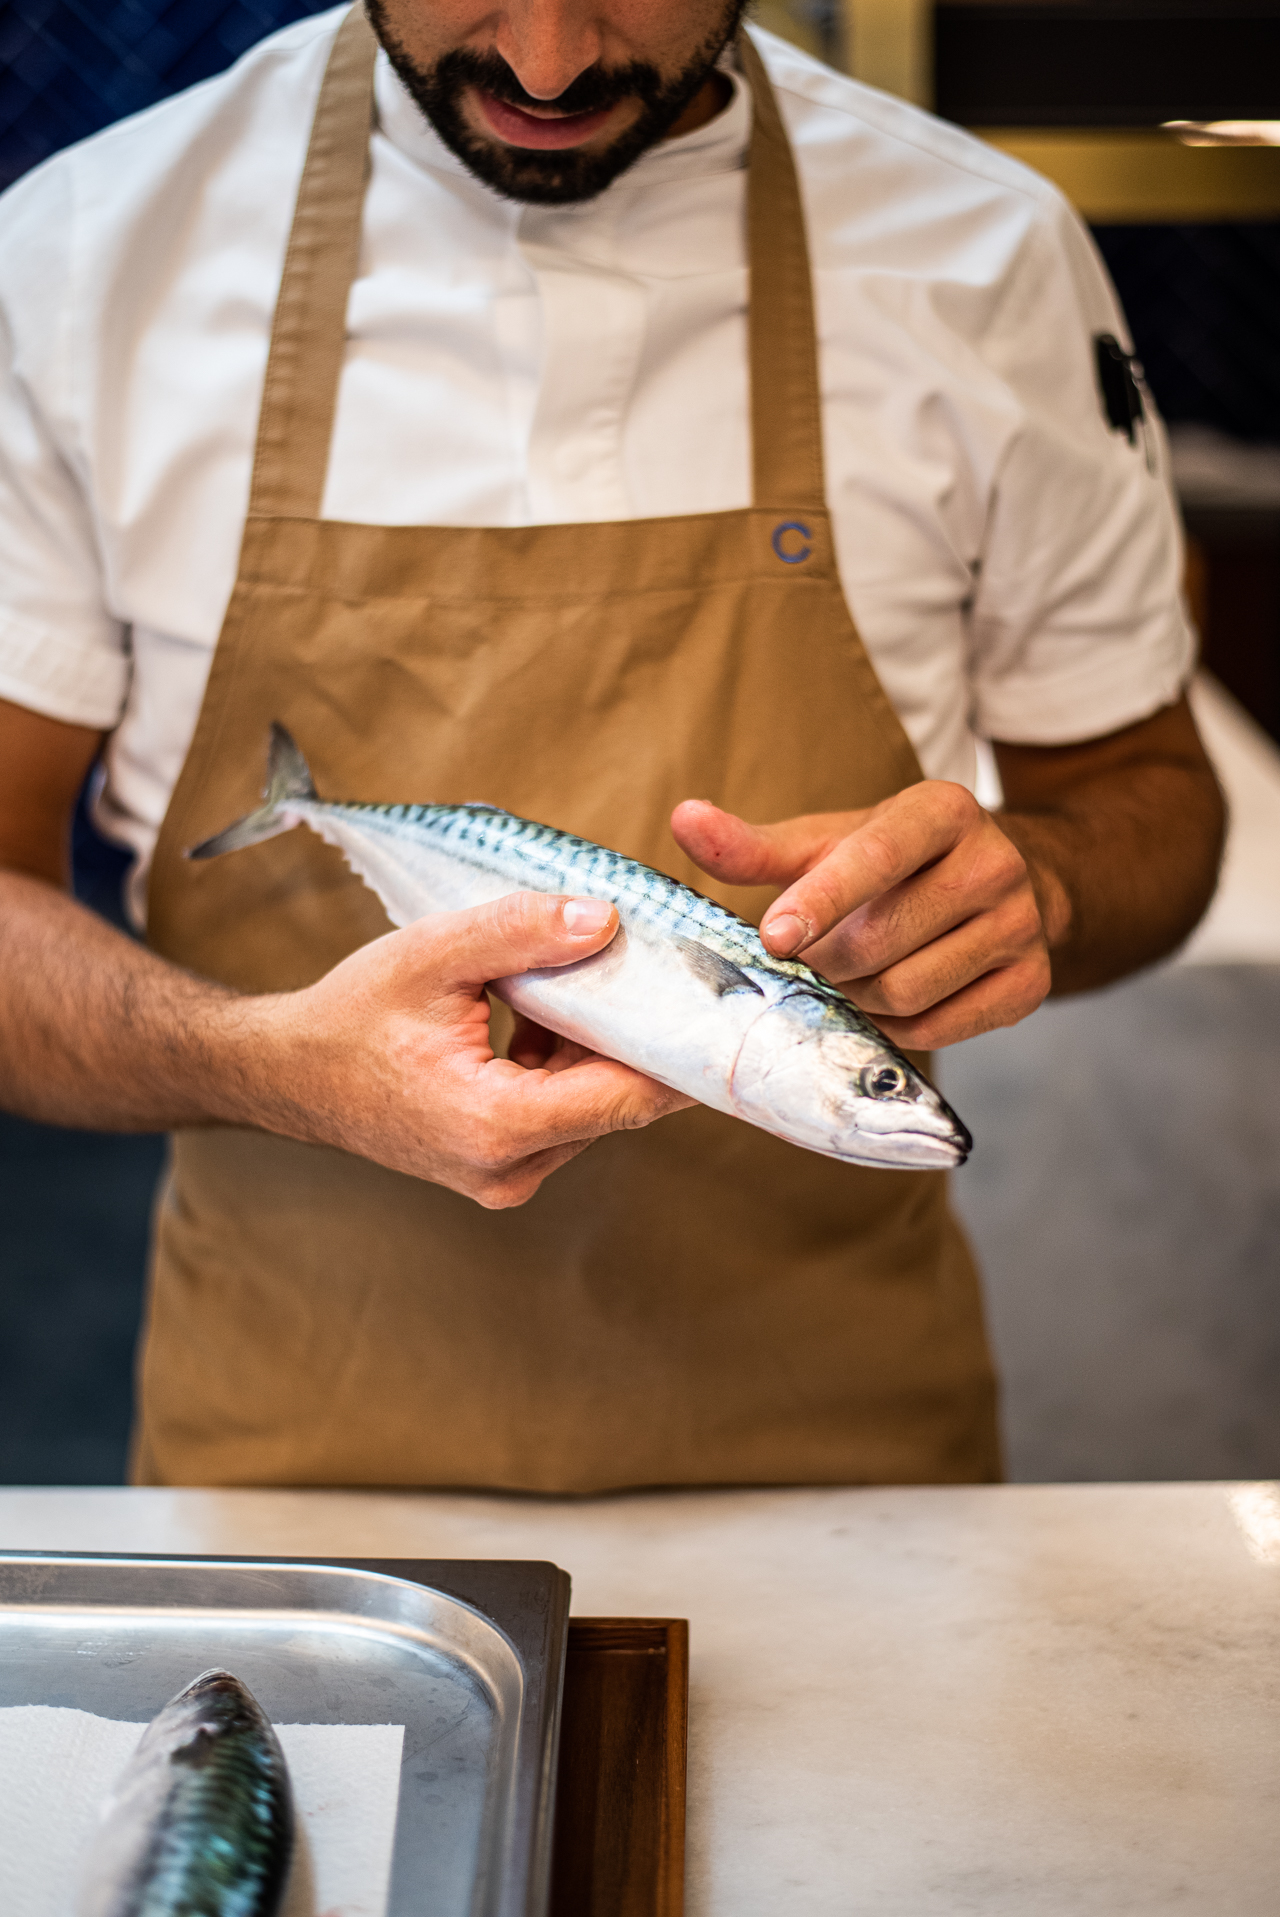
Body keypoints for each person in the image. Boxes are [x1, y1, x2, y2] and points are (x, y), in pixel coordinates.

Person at [0, 1, 1223, 1491]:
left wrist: (1047, 882)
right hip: (289, 1481)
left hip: (855, 1481)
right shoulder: (81, 263)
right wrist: (263, 1065)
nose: (549, 63)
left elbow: (1152, 802)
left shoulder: (986, 259)